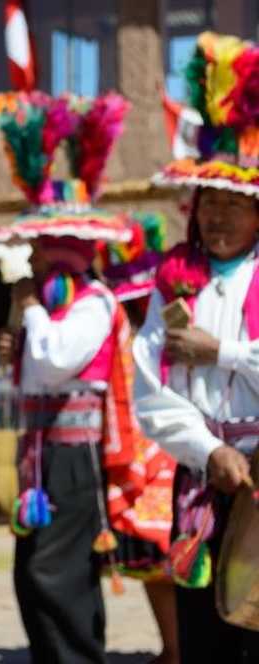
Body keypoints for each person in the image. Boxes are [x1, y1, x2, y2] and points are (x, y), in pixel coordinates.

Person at [0, 90, 174, 664]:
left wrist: (31, 313)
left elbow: (52, 362)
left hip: (75, 455)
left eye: (47, 245)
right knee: (32, 574)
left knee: (58, 575)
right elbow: (29, 375)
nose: (39, 254)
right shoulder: (53, 303)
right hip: (39, 452)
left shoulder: (93, 300)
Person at [134, 31, 259, 662]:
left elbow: (220, 359)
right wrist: (207, 449)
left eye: (235, 203)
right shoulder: (172, 283)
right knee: (204, 637)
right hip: (202, 480)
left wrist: (225, 354)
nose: (218, 216)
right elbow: (148, 391)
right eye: (209, 201)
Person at [96, 212, 179, 664]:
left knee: (171, 560)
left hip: (170, 454)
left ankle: (177, 649)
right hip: (142, 451)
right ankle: (172, 648)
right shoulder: (119, 326)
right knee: (154, 564)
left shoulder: (168, 323)